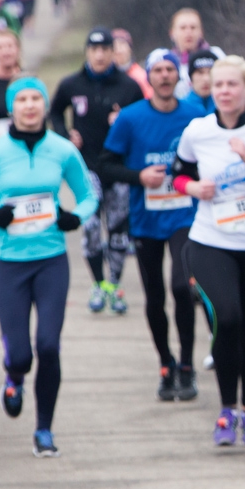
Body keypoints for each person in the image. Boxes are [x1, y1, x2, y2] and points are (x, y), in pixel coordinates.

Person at [0, 77, 98, 457]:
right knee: (21, 354)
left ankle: (44, 430)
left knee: (48, 346)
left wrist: (75, 217)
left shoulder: (63, 150)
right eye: (22, 100)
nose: (30, 106)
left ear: (46, 106)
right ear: (12, 108)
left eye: (36, 98)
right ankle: (14, 376)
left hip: (51, 260)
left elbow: (88, 196)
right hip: (9, 262)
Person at [171, 55, 245, 445]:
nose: (224, 91)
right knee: (227, 316)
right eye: (218, 84)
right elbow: (178, 175)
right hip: (211, 241)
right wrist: (191, 188)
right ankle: (226, 412)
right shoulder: (197, 130)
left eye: (232, 84)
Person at [101, 49, 203, 400]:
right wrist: (137, 176)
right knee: (155, 296)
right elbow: (106, 164)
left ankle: (188, 365)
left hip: (184, 216)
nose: (163, 76)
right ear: (149, 76)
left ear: (178, 77)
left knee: (180, 287)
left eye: (169, 70)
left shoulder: (195, 114)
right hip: (145, 219)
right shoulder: (130, 118)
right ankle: (166, 363)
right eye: (157, 70)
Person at [49, 26, 143, 313]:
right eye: (95, 49)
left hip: (117, 167)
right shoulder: (71, 84)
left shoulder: (128, 86)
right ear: (88, 51)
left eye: (105, 49)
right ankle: (98, 284)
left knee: (117, 232)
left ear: (114, 52)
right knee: (90, 227)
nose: (100, 55)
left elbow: (142, 121)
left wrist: (124, 121)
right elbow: (54, 111)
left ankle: (114, 285)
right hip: (85, 165)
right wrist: (66, 134)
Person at [167, 8, 221, 99]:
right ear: (172, 33)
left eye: (193, 27)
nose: (188, 32)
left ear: (201, 32)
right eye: (183, 28)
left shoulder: (216, 54)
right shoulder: (167, 62)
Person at [110, 28, 151, 99]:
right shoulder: (105, 77)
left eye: (122, 44)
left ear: (130, 49)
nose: (118, 49)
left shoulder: (141, 76)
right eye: (114, 45)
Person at [181, 48, 214, 113]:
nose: (206, 78)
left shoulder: (227, 108)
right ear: (191, 77)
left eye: (210, 72)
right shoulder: (182, 109)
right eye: (200, 72)